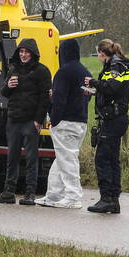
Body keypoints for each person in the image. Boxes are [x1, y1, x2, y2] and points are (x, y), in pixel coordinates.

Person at [0, 38, 52, 205]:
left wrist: (38, 120)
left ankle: (30, 194)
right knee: (12, 157)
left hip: (31, 121)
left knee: (32, 158)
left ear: (33, 54)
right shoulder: (13, 69)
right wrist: (8, 85)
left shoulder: (42, 71)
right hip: (14, 120)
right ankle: (8, 192)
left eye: (27, 52)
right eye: (21, 52)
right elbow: (4, 93)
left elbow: (45, 98)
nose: (23, 55)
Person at [36, 38, 91, 208]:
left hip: (65, 122)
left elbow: (59, 99)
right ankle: (53, 196)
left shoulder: (63, 72)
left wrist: (54, 119)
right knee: (61, 159)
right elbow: (88, 95)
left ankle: (73, 196)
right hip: (81, 121)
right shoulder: (85, 72)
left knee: (67, 159)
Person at [85, 39, 129, 214]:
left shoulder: (115, 66)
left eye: (98, 53)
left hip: (113, 119)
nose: (97, 56)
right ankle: (113, 200)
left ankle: (107, 199)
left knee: (103, 159)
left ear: (102, 53)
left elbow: (112, 88)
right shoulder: (117, 65)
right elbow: (112, 91)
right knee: (112, 159)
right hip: (115, 118)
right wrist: (95, 90)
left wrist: (93, 83)